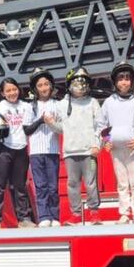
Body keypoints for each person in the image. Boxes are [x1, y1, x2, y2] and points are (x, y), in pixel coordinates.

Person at [0, 77, 35, 229]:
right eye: (8, 90)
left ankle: (24, 219)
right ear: (3, 93)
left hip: (22, 148)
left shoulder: (27, 106)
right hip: (4, 148)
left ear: (18, 89)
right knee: (0, 185)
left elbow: (31, 126)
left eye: (14, 89)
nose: (12, 93)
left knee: (20, 185)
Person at [100, 61, 134, 224]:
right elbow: (101, 124)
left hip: (132, 148)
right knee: (122, 183)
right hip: (116, 149)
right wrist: (105, 141)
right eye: (121, 78)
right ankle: (124, 213)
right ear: (115, 81)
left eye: (127, 78)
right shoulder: (109, 102)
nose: (124, 82)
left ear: (132, 81)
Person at [55, 66, 104, 225]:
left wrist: (98, 144)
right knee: (72, 184)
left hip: (90, 152)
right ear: (69, 84)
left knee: (91, 182)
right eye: (76, 82)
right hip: (70, 152)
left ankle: (94, 213)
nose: (80, 85)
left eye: (83, 82)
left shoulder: (93, 102)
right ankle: (76, 215)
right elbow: (60, 128)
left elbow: (101, 125)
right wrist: (49, 123)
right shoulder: (62, 104)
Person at [23, 68, 63, 227]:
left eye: (46, 84)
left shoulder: (58, 104)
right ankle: (44, 216)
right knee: (41, 186)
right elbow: (27, 129)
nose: (44, 88)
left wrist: (52, 123)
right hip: (36, 152)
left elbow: (62, 126)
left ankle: (55, 216)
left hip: (53, 150)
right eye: (40, 85)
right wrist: (41, 120)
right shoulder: (30, 106)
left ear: (51, 86)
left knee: (53, 187)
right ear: (35, 88)